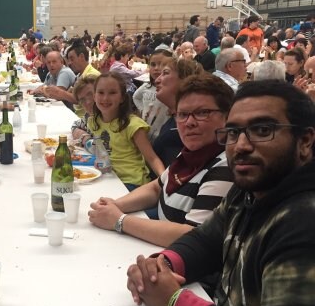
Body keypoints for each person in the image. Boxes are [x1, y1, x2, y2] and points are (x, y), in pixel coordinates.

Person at [126, 80, 315, 306]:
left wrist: (174, 304)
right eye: (233, 132)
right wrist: (162, 266)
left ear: (305, 140)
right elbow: (207, 240)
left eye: (262, 130)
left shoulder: (303, 219)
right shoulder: (253, 189)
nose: (241, 145)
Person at [88, 74, 234, 247]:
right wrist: (115, 204)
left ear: (228, 117)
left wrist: (119, 220)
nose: (189, 122)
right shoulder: (191, 153)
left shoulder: (225, 166)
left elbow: (193, 235)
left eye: (203, 113)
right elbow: (157, 188)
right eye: (183, 114)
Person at [87, 72, 164, 189]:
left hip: (131, 183)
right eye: (101, 92)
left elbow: (152, 158)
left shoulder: (133, 125)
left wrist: (165, 182)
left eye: (112, 93)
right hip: (107, 177)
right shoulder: (93, 122)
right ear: (94, 96)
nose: (105, 98)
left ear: (122, 97)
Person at [152, 58, 205, 167]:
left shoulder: (189, 126)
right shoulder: (173, 120)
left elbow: (176, 176)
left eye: (165, 73)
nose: (157, 80)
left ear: (185, 80)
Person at [132, 49, 174, 142]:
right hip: (146, 128)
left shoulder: (171, 89)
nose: (156, 68)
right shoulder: (146, 86)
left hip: (163, 132)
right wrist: (142, 109)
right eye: (153, 64)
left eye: (162, 65)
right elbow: (136, 97)